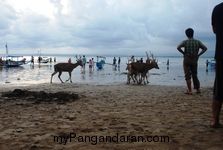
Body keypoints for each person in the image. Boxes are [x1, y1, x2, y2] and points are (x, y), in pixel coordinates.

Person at [177, 28, 207, 94]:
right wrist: (198, 55)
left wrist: (184, 53)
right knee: (195, 74)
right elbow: (205, 48)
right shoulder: (197, 42)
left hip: (187, 59)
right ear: (193, 33)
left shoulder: (185, 41)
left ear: (186, 34)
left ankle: (190, 90)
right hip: (194, 59)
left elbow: (178, 47)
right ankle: (197, 89)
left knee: (187, 75)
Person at [211, 2, 223, 128]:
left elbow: (214, 30)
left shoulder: (217, 9)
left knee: (218, 89)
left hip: (221, 54)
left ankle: (215, 120)